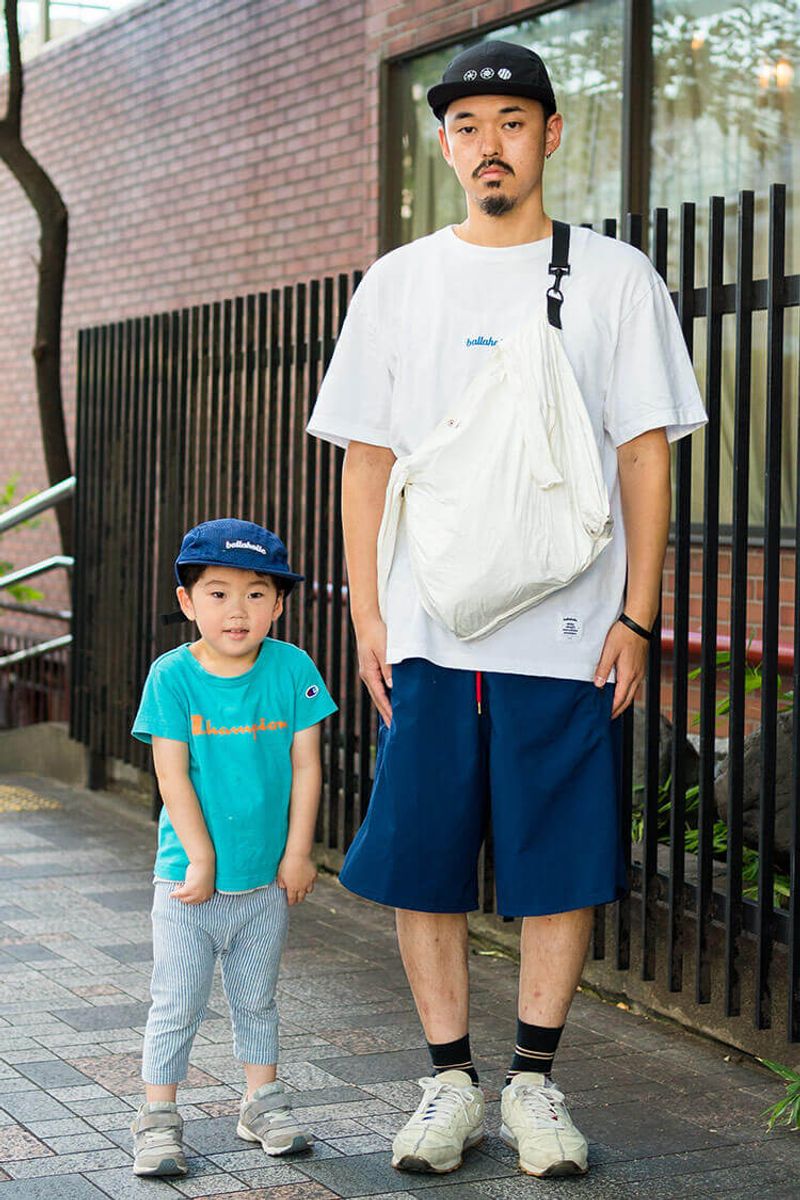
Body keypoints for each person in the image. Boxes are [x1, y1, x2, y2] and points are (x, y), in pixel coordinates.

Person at [307, 39, 706, 1180]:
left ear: (549, 136)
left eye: (511, 122)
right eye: (467, 125)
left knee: (558, 857)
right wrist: (371, 616)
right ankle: (447, 1081)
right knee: (421, 855)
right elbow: (366, 459)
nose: (489, 143)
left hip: (572, 631)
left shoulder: (614, 277)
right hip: (430, 630)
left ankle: (533, 1082)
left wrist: (635, 615)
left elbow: (642, 455)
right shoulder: (398, 281)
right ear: (442, 144)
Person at [129, 518, 337, 1178]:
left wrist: (298, 853)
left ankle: (261, 1103)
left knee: (258, 1001)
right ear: (188, 602)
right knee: (178, 1003)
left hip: (264, 887)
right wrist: (201, 856)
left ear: (278, 603)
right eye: (217, 593)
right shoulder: (173, 677)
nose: (237, 610)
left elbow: (307, 766)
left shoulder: (293, 667)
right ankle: (157, 1118)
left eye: (255, 593)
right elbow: (170, 774)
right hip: (190, 887)